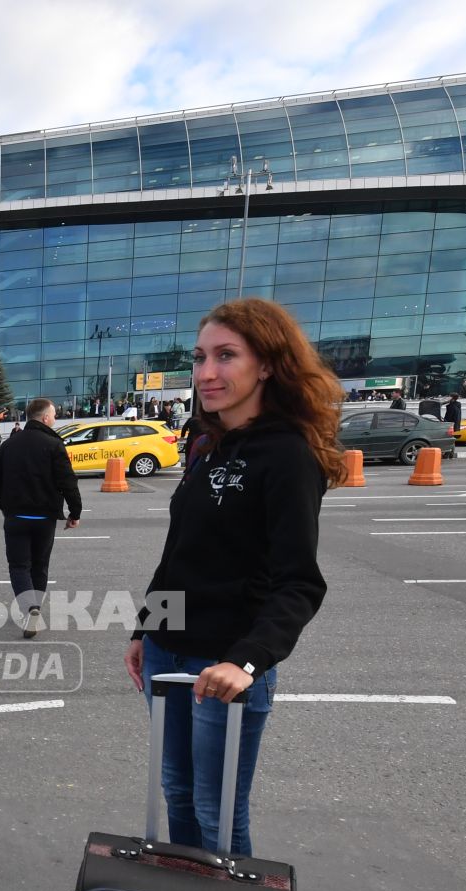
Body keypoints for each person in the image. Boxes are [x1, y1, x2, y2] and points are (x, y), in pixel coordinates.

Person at [125, 298, 343, 857]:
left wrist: (246, 662)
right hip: (166, 653)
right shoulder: (206, 445)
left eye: (226, 356)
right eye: (200, 358)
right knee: (177, 793)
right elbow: (178, 553)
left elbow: (299, 582)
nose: (206, 373)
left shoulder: (288, 455)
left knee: (215, 810)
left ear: (267, 365)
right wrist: (143, 630)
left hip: (223, 665)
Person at [0, 397, 81, 639]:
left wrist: (6, 506)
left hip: (16, 516)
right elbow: (68, 482)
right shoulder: (53, 444)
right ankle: (35, 608)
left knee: (19, 566)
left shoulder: (9, 445)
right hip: (45, 517)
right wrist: (75, 512)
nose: (55, 419)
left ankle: (30, 609)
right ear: (45, 417)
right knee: (40, 565)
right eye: (54, 415)